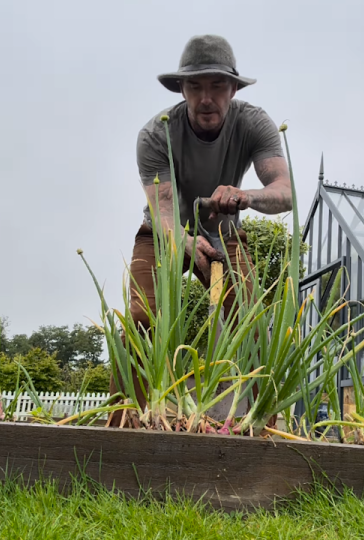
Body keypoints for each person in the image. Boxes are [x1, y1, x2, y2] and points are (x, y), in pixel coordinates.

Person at [107, 35, 293, 430]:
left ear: (234, 88)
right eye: (195, 86)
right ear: (181, 88)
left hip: (224, 235)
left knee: (252, 322)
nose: (206, 98)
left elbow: (284, 193)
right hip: (163, 234)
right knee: (142, 316)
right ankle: (123, 426)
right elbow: (163, 208)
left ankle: (265, 428)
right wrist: (186, 242)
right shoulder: (157, 134)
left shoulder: (254, 123)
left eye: (217, 86)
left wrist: (245, 196)